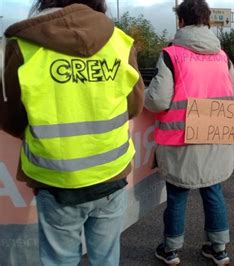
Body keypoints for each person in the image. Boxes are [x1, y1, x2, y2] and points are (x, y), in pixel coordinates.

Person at [0, 0, 144, 265]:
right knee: (106, 259)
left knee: (61, 260)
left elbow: (9, 116)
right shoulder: (120, 42)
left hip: (56, 179)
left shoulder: (23, 45)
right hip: (111, 173)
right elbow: (133, 106)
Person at [144, 0, 234, 264]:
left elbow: (158, 101)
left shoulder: (171, 55)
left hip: (180, 142)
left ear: (181, 21)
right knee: (214, 191)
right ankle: (218, 249)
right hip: (214, 138)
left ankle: (171, 250)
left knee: (177, 196)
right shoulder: (223, 56)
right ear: (207, 21)